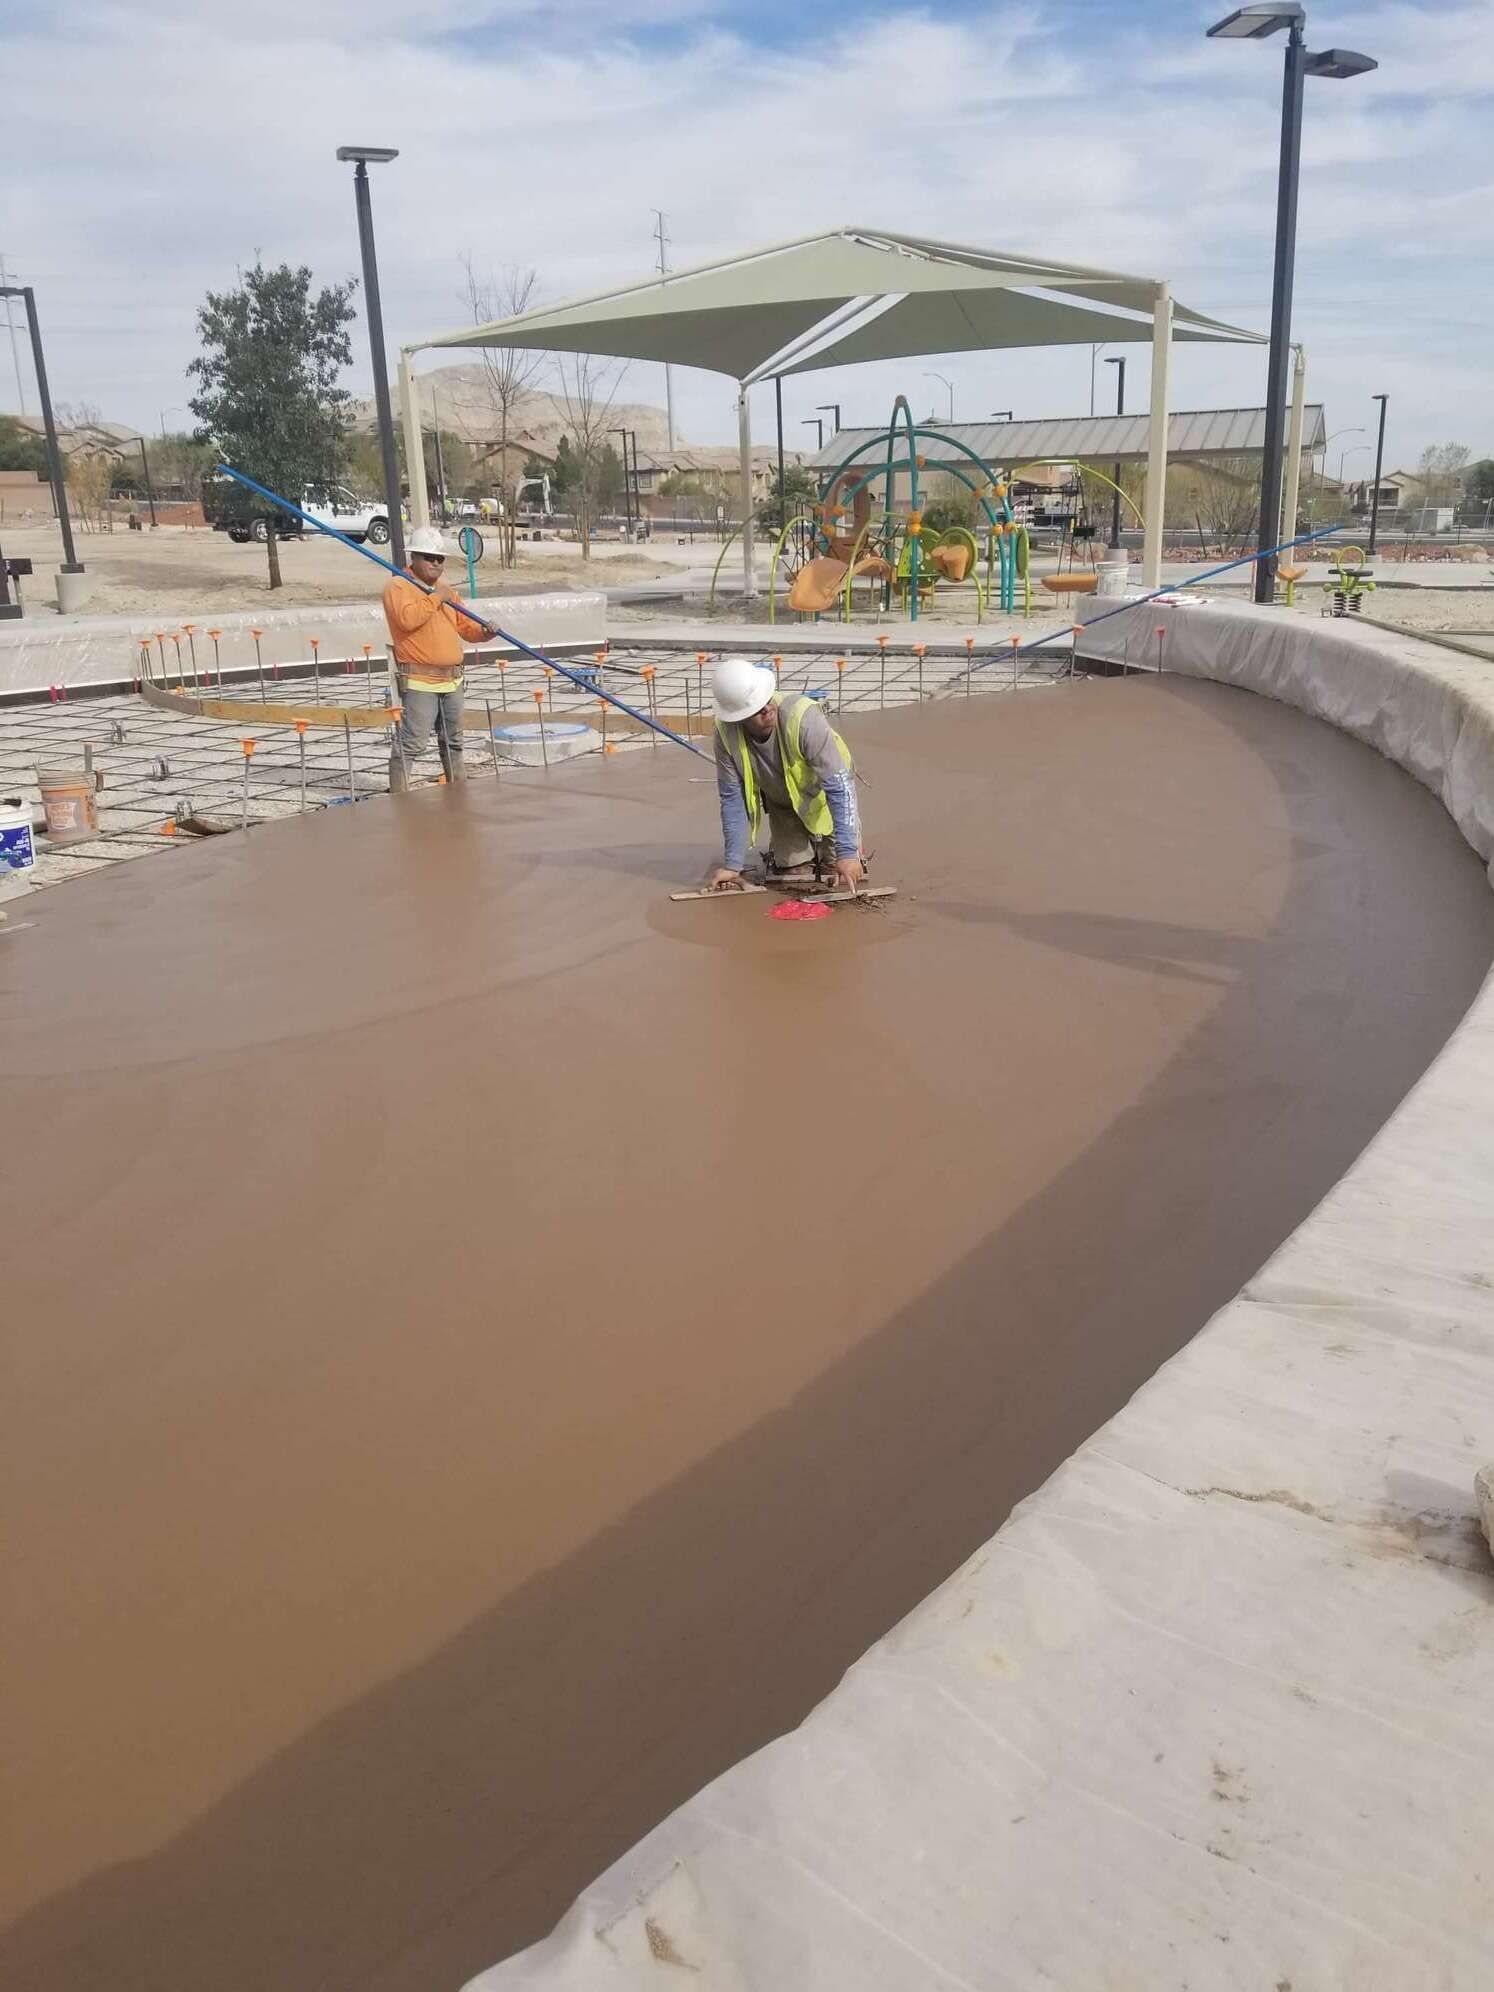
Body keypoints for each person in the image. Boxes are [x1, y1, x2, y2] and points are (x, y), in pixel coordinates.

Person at [707, 656, 864, 893]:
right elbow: (733, 799)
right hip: (782, 803)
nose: (768, 709)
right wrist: (733, 864)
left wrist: (848, 852)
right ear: (739, 718)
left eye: (767, 699)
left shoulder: (803, 718)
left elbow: (839, 787)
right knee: (793, 871)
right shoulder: (726, 735)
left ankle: (844, 847)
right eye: (757, 709)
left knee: (838, 869)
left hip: (824, 798)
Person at [382, 526, 487, 792]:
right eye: (429, 557)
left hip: (452, 680)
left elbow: (465, 626)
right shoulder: (399, 586)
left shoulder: (444, 590)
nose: (435, 563)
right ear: (413, 558)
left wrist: (484, 633)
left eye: (439, 558)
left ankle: (457, 793)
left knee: (453, 741)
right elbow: (407, 619)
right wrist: (436, 599)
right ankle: (400, 798)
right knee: (413, 742)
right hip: (419, 680)